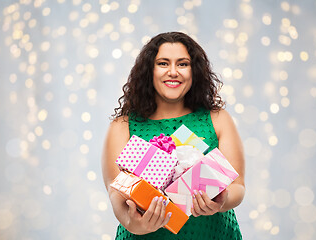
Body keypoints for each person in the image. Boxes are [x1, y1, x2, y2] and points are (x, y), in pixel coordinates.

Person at [102, 32, 245, 239]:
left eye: (182, 64)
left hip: (213, 233)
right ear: (148, 71)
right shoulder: (122, 126)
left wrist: (221, 201)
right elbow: (116, 192)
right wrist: (134, 224)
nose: (173, 72)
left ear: (194, 71)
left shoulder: (217, 119)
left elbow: (238, 186)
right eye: (162, 63)